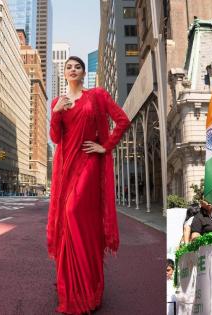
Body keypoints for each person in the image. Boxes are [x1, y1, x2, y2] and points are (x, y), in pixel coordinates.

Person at [47, 56, 130, 314]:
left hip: (89, 163)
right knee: (71, 221)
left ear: (84, 73)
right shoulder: (57, 102)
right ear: (65, 73)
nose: (72, 70)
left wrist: (104, 147)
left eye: (77, 67)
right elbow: (55, 138)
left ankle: (87, 286)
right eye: (68, 67)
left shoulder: (97, 95)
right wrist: (56, 113)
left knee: (72, 213)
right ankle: (75, 287)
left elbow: (123, 120)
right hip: (66, 167)